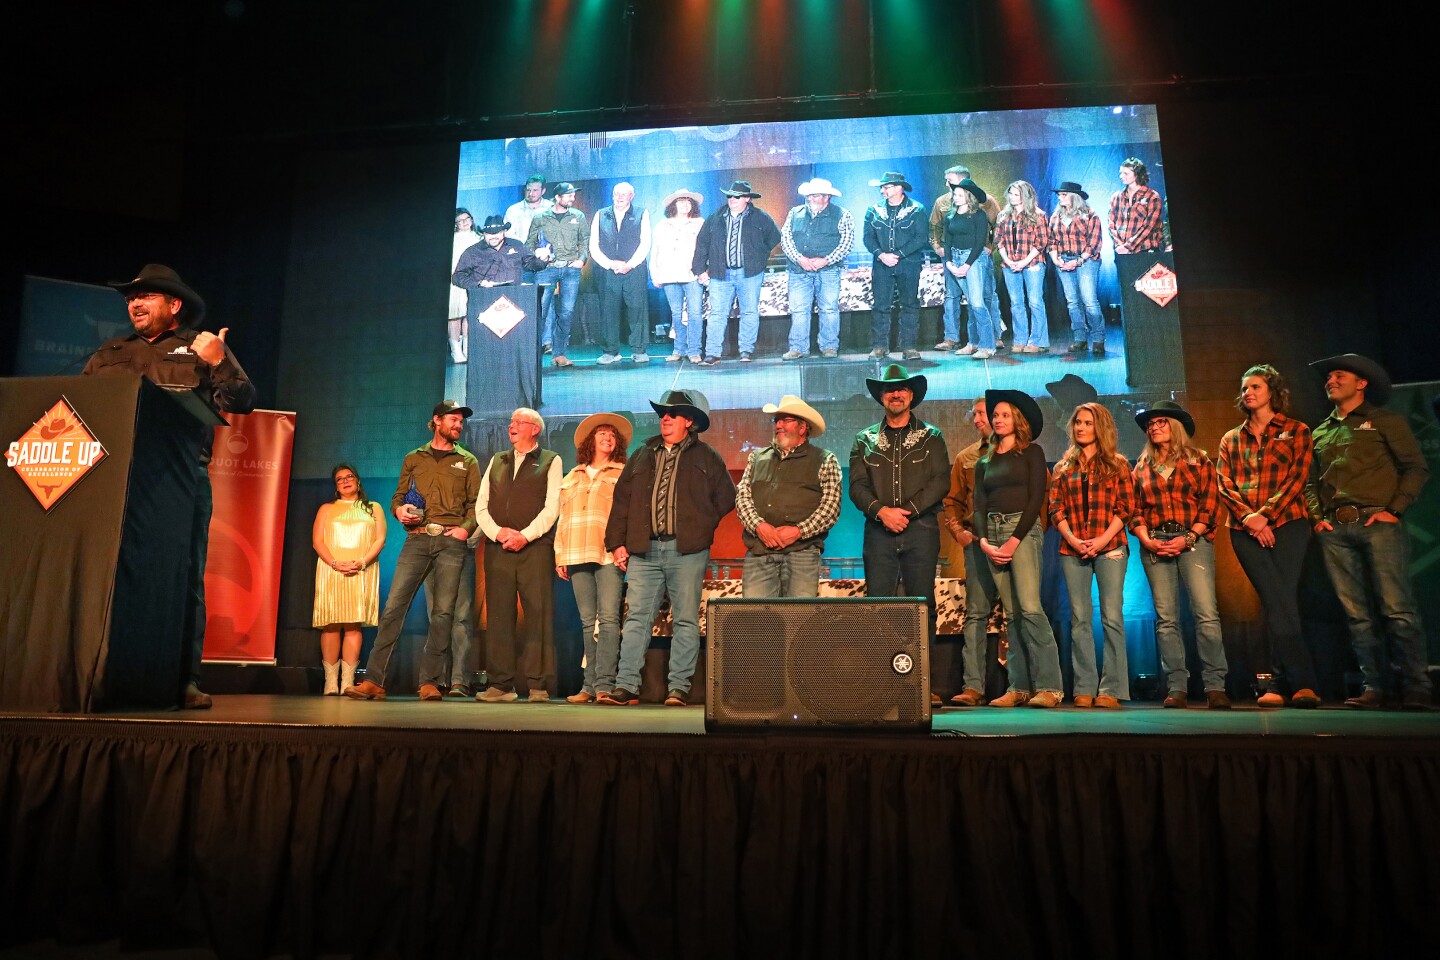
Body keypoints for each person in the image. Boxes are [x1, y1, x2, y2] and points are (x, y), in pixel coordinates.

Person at [83, 263, 257, 709]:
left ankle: (184, 678)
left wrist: (218, 359)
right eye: (129, 299)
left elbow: (242, 401)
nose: (134, 304)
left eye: (146, 297)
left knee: (184, 578)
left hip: (181, 480)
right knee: (104, 575)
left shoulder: (200, 347)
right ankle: (96, 670)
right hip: (110, 479)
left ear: (174, 305)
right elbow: (79, 407)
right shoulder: (110, 352)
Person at [1305, 354, 1431, 710]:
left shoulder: (1385, 421)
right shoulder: (1321, 430)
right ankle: (1374, 686)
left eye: (1338, 375)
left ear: (1361, 383)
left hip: (1378, 522)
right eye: (1328, 377)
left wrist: (1394, 511)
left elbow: (1415, 468)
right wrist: (1318, 518)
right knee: (1356, 614)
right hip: (1335, 529)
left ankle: (1416, 686)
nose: (1330, 380)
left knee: (1396, 609)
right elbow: (1310, 483)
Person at [603, 389, 736, 705]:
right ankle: (626, 687)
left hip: (687, 551)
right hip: (644, 551)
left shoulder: (707, 457)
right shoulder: (642, 454)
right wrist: (616, 543)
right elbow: (622, 500)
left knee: (686, 619)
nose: (664, 417)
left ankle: (678, 688)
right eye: (663, 413)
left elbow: (726, 498)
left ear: (689, 421)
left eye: (672, 413)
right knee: (636, 618)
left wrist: (700, 526)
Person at [346, 401, 481, 701]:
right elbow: (397, 496)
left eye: (461, 422)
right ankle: (375, 681)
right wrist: (399, 510)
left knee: (443, 613)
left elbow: (475, 505)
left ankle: (430, 681)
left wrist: (464, 529)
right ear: (437, 421)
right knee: (394, 607)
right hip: (417, 539)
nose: (459, 425)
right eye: (454, 420)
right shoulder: (413, 458)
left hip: (450, 541)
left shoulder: (468, 461)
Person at [1216, 364, 1322, 708]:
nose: (1248, 392)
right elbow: (1225, 484)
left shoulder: (1297, 430)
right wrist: (1251, 519)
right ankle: (1301, 682)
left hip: (1289, 524)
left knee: (1282, 602)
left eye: (1256, 387)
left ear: (1272, 392)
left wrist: (1267, 516)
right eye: (1245, 388)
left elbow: (1297, 477)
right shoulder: (1231, 438)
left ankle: (1279, 682)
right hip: (1245, 530)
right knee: (1277, 600)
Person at [849, 364, 951, 704]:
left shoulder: (932, 436)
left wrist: (906, 512)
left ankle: (922, 685)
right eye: (889, 389)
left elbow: (941, 481)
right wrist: (882, 512)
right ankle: (883, 685)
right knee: (879, 607)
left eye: (902, 389)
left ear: (911, 395)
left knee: (922, 605)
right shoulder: (864, 439)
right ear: (881, 396)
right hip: (878, 533)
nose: (896, 393)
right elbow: (857, 487)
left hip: (921, 530)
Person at [1130, 401, 1231, 709]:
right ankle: (1177, 687)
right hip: (1155, 542)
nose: (1153, 427)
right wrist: (1146, 539)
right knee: (1166, 619)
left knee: (1206, 614)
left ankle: (1215, 687)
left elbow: (1210, 504)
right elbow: (1134, 510)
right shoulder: (1142, 467)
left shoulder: (1198, 460)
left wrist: (1188, 537)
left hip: (1193, 541)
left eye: (1160, 422)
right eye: (1150, 424)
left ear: (1175, 426)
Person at [976, 390, 1064, 708]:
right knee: (1011, 615)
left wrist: (1014, 540)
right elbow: (978, 505)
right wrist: (985, 541)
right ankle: (1020, 686)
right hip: (993, 533)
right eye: (995, 415)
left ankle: (1051, 687)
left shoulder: (1032, 453)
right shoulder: (985, 458)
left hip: (1022, 531)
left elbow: (1035, 499)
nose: (997, 419)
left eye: (1004, 414)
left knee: (1030, 609)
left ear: (1018, 419)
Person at [474, 407, 563, 703]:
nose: (511, 426)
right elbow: (481, 506)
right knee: (499, 615)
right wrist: (498, 533)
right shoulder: (497, 461)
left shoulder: (550, 460)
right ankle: (501, 685)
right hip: (498, 548)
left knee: (538, 614)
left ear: (534, 429)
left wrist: (525, 536)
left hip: (534, 549)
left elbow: (552, 508)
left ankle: (538, 684)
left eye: (518, 422)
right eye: (511, 422)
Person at [1049, 403, 1131, 708]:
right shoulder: (1062, 467)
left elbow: (1126, 508)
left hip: (1109, 547)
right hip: (1073, 549)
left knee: (1112, 617)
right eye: (1078, 422)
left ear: (1101, 427)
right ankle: (1084, 686)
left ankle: (1112, 689)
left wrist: (1101, 540)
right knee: (1080, 619)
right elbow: (1055, 508)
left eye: (1088, 423)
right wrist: (1073, 538)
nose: (1081, 428)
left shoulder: (1118, 464)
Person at [554, 413, 631, 704]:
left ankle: (605, 685)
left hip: (608, 553)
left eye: (612, 434)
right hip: (575, 552)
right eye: (602, 433)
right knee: (588, 622)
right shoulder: (572, 476)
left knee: (609, 620)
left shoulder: (622, 473)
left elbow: (627, 515)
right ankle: (588, 685)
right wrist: (560, 554)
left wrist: (623, 547)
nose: (607, 438)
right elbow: (562, 518)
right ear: (591, 440)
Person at [736, 395, 842, 597]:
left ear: (803, 428)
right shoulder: (757, 457)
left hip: (802, 553)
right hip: (760, 552)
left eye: (786, 420)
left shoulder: (825, 459)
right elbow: (742, 498)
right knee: (755, 621)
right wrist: (760, 526)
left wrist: (797, 531)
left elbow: (831, 508)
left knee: (797, 620)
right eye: (777, 420)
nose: (779, 426)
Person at [941, 396, 999, 706]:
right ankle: (973, 687)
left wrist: (1032, 533)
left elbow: (1040, 495)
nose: (976, 420)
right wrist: (959, 533)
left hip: (1013, 542)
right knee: (976, 613)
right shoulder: (965, 457)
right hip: (976, 543)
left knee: (1021, 612)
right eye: (974, 414)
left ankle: (1022, 685)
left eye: (982, 414)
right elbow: (951, 501)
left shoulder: (1020, 454)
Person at [312, 464, 386, 696]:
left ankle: (347, 681)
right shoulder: (326, 508)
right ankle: (330, 682)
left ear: (358, 481)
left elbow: (380, 539)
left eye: (349, 477)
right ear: (336, 486)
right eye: (339, 479)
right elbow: (318, 542)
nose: (345, 481)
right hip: (331, 568)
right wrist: (334, 563)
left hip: (360, 569)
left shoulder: (373, 507)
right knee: (331, 623)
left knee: (354, 624)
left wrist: (362, 562)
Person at [691, 181, 782, 364]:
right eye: (730, 196)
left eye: (737, 196)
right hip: (719, 273)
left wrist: (759, 256)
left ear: (747, 199)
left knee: (749, 312)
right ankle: (713, 353)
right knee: (717, 314)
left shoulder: (760, 217)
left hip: (749, 274)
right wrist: (699, 269)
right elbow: (702, 244)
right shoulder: (715, 218)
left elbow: (774, 238)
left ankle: (746, 351)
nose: (732, 199)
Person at [930, 164, 1004, 352]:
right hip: (955, 259)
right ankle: (972, 343)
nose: (954, 195)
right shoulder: (950, 215)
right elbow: (947, 239)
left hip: (974, 259)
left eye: (959, 194)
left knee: (980, 302)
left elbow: (982, 239)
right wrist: (949, 262)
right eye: (954, 194)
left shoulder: (979, 213)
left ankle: (988, 344)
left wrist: (970, 263)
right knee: (971, 303)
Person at [780, 178, 854, 360]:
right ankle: (798, 347)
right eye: (810, 195)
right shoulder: (795, 213)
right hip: (799, 270)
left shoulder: (842, 214)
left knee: (828, 308)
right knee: (799, 310)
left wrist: (826, 260)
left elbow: (846, 243)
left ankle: (829, 346)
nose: (811, 198)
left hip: (828, 271)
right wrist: (799, 259)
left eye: (815, 195)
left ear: (826, 197)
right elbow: (786, 239)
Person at [862, 172, 929, 360]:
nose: (882, 190)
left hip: (909, 264)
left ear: (899, 188)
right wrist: (881, 255)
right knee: (881, 305)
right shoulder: (873, 210)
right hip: (882, 264)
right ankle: (879, 346)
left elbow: (921, 238)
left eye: (886, 187)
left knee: (909, 304)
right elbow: (868, 237)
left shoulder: (916, 209)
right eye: (882, 187)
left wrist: (898, 255)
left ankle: (909, 346)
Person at [589, 182, 653, 364]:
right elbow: (594, 245)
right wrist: (610, 264)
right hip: (608, 271)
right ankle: (610, 351)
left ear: (632, 196)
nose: (620, 197)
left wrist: (630, 264)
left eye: (624, 194)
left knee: (637, 309)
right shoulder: (601, 214)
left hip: (635, 269)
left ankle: (639, 350)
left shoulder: (642, 213)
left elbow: (645, 243)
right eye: (617, 194)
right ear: (612, 195)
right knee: (609, 310)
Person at [526, 182, 588, 368]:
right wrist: (537, 258)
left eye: (573, 195)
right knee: (540, 312)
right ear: (558, 198)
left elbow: (585, 240)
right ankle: (532, 357)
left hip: (570, 270)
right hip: (547, 269)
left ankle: (559, 354)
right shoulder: (541, 218)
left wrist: (582, 259)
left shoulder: (578, 216)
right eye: (569, 195)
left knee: (566, 313)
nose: (573, 198)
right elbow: (529, 243)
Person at [1048, 182, 1106, 356]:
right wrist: (1056, 259)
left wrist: (1079, 261)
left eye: (1064, 194)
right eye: (1059, 195)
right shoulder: (1056, 216)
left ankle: (1098, 338)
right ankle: (1080, 338)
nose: (1060, 197)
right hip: (1064, 260)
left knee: (1089, 301)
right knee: (1073, 301)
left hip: (1086, 260)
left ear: (1074, 196)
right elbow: (1051, 241)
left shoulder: (1090, 215)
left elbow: (1094, 243)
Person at [650, 189, 706, 363]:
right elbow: (656, 251)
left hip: (692, 275)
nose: (684, 204)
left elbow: (706, 249)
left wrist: (705, 271)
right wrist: (654, 274)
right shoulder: (662, 225)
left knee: (695, 313)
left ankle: (694, 350)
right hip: (668, 275)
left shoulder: (700, 223)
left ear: (692, 205)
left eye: (688, 201)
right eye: (680, 201)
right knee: (675, 313)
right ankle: (678, 349)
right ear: (673, 204)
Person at [995, 180, 1051, 354]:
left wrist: (1024, 262)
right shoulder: (1003, 216)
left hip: (1032, 263)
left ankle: (1038, 341)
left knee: (1034, 301)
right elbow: (999, 241)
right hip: (1010, 264)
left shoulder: (1038, 215)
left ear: (1025, 196)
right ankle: (1020, 339)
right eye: (1010, 194)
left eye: (1016, 194)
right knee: (1016, 303)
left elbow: (1041, 242)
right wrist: (1009, 261)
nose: (1012, 197)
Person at [504, 176, 555, 351]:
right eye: (528, 189)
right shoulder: (514, 210)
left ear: (543, 191)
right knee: (524, 300)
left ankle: (546, 341)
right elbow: (509, 236)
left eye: (535, 190)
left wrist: (548, 254)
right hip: (522, 262)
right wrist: (528, 253)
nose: (530, 193)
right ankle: (528, 341)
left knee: (546, 301)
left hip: (546, 262)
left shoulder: (550, 207)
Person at [1107, 158, 1165, 258]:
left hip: (1146, 251)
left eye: (1126, 173)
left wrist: (1128, 246)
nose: (1121, 176)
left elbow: (1149, 226)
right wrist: (1120, 246)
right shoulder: (1117, 197)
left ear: (1137, 173)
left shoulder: (1152, 196)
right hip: (1121, 252)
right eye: (1121, 173)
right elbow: (1111, 223)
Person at [450, 208, 481, 363]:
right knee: (455, 315)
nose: (464, 222)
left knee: (470, 314)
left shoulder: (478, 237)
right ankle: (456, 351)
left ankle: (469, 349)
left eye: (466, 218)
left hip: (473, 280)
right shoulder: (452, 239)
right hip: (454, 280)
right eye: (459, 220)